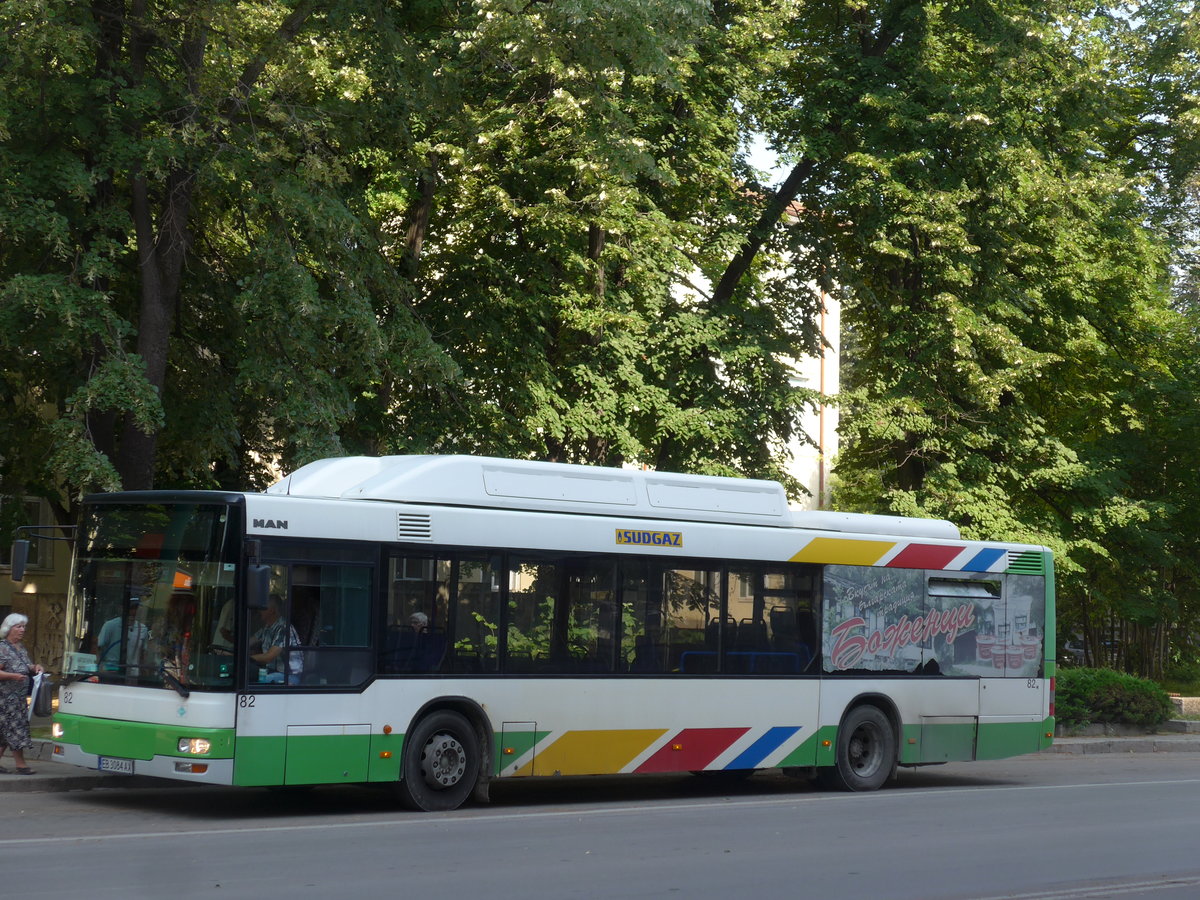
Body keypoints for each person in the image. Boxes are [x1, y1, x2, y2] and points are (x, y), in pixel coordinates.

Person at [0, 613, 44, 775]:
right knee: (16, 730)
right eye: (18, 626)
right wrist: (13, 676)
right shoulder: (2, 648)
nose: (22, 630)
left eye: (23, 627)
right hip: (5, 699)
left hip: (18, 698)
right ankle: (21, 764)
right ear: (9, 628)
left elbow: (26, 665)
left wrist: (35, 667)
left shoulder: (20, 648)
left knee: (5, 732)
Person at [250, 594, 302, 684]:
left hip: (288, 676)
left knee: (255, 682)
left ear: (272, 611)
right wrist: (233, 651)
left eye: (263, 608)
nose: (259, 611)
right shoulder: (267, 627)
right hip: (273, 671)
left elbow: (269, 657)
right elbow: (248, 642)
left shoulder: (284, 628)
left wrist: (246, 658)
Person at [95, 597, 150, 674]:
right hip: (111, 672)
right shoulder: (110, 626)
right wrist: (97, 670)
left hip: (132, 675)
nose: (133, 612)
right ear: (121, 609)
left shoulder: (142, 629)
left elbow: (143, 654)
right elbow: (98, 648)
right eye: (130, 608)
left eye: (135, 608)